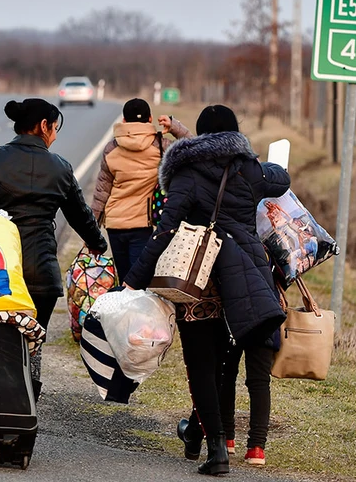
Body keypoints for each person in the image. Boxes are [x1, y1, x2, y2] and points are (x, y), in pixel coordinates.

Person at [124, 105, 290, 476]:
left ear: (200, 136)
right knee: (226, 364)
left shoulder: (186, 171)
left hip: (195, 281)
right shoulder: (248, 169)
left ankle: (216, 448)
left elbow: (166, 229)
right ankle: (200, 433)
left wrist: (135, 276)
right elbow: (280, 180)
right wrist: (266, 162)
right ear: (234, 134)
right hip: (241, 281)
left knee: (203, 363)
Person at [0, 98, 107, 397]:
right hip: (42, 274)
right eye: (55, 128)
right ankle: (28, 395)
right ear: (43, 126)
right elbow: (81, 216)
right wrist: (98, 244)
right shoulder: (60, 168)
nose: (55, 135)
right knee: (33, 338)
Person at [90, 98, 191, 283]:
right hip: (142, 224)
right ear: (150, 118)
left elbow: (101, 191)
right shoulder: (161, 146)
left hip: (115, 224)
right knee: (139, 282)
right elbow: (195, 148)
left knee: (124, 280)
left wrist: (90, 234)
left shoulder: (111, 148)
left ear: (124, 121)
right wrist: (175, 126)